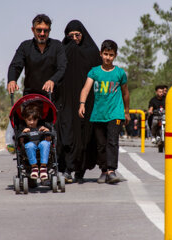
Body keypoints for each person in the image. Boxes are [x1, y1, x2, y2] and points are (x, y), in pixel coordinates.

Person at [56, 20, 102, 183]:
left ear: (83, 34)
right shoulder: (62, 51)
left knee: (85, 135)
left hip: (87, 102)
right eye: (71, 36)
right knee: (67, 133)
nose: (74, 38)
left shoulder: (92, 52)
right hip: (66, 101)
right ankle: (67, 168)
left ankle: (80, 169)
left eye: (77, 35)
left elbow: (100, 75)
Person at [78, 40, 130, 184]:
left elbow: (125, 93)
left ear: (115, 56)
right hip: (98, 114)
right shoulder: (94, 71)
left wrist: (126, 111)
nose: (108, 57)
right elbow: (85, 89)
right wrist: (82, 104)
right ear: (100, 54)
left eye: (111, 55)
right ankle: (103, 170)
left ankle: (112, 171)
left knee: (112, 142)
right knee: (100, 144)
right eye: (105, 54)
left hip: (116, 113)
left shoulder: (120, 73)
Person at [7, 14, 67, 96]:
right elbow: (15, 66)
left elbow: (62, 68)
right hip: (30, 96)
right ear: (33, 29)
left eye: (45, 30)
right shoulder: (25, 46)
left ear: (49, 30)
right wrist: (12, 80)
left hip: (52, 97)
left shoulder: (57, 46)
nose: (42, 34)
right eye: (39, 30)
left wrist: (52, 80)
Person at [19, 103, 51, 180]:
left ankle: (43, 167)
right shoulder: (23, 128)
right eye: (29, 120)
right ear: (25, 119)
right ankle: (34, 167)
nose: (32, 122)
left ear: (38, 119)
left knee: (45, 143)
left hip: (40, 147)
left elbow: (49, 140)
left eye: (34, 120)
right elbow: (20, 142)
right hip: (29, 149)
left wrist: (47, 132)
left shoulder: (41, 127)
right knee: (29, 145)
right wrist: (23, 133)